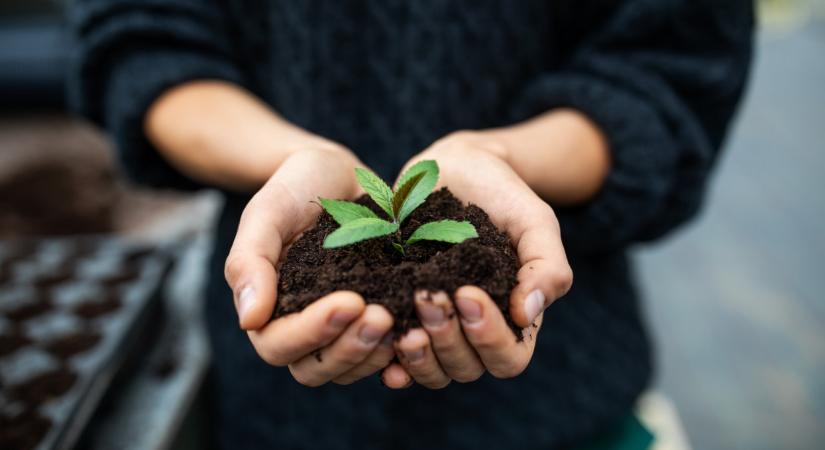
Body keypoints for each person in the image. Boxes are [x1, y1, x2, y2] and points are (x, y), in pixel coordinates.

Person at [70, 1, 753, 448]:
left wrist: (502, 156)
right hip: (271, 418)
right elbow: (141, 41)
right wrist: (288, 159)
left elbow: (670, 63)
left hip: (564, 401)